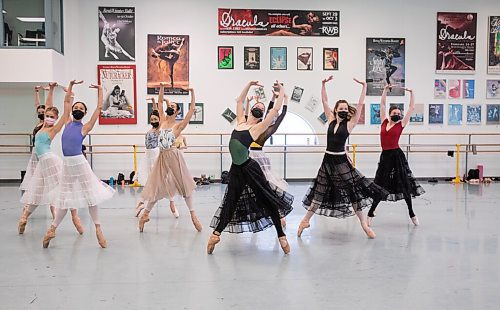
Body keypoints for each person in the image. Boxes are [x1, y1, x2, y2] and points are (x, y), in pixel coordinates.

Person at [207, 81, 293, 255]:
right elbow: (239, 101)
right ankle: (216, 234)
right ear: (252, 108)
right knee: (230, 202)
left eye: (261, 108)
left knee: (267, 199)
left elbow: (275, 111)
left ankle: (281, 235)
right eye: (257, 105)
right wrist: (249, 84)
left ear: (261, 114)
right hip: (236, 170)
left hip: (250, 168)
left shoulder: (258, 127)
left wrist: (282, 92)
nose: (259, 108)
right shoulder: (240, 121)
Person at [298, 76, 389, 239]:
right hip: (327, 161)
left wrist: (364, 87)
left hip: (341, 162)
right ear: (336, 109)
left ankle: (364, 225)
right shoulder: (331, 119)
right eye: (341, 108)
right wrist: (323, 84)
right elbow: (325, 101)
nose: (344, 110)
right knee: (319, 192)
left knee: (352, 192)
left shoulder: (350, 124)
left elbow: (360, 105)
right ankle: (305, 221)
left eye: (346, 108)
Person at [42, 82, 115, 248]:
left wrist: (101, 91)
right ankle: (52, 229)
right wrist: (71, 86)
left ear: (84, 113)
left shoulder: (85, 127)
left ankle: (98, 228)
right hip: (67, 165)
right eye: (77, 107)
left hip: (80, 164)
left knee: (91, 197)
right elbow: (67, 102)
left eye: (81, 108)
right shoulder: (67, 122)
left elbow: (98, 108)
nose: (78, 109)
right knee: (64, 199)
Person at [138, 83, 201, 232]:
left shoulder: (178, 126)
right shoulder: (162, 122)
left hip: (174, 156)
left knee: (184, 186)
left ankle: (193, 215)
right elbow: (160, 102)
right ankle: (145, 215)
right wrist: (161, 88)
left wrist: (192, 93)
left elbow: (192, 110)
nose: (170, 106)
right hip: (162, 157)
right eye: (170, 104)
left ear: (177, 111)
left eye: (173, 105)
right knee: (156, 187)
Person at [18, 82, 78, 234]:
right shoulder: (42, 126)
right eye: (48, 116)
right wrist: (50, 89)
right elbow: (48, 105)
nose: (50, 118)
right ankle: (24, 217)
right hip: (42, 164)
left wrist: (70, 98)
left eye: (52, 117)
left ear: (55, 119)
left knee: (59, 189)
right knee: (36, 191)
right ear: (45, 116)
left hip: (50, 160)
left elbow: (65, 114)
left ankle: (67, 219)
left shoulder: (53, 129)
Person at [367, 85, 425, 226]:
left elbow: (411, 107)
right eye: (394, 112)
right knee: (379, 185)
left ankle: (412, 213)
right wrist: (385, 91)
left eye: (399, 112)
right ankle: (370, 213)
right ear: (390, 113)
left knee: (404, 184)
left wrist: (412, 93)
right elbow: (382, 104)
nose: (397, 114)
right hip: (385, 157)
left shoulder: (401, 124)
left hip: (396, 156)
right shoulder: (384, 122)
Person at [20, 83, 57, 218]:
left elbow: (48, 106)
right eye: (40, 113)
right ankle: (27, 204)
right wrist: (36, 92)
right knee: (31, 179)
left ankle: (53, 209)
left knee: (45, 181)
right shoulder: (39, 124)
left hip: (42, 155)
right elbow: (38, 105)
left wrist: (50, 91)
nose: (41, 114)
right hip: (35, 155)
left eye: (44, 113)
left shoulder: (46, 125)